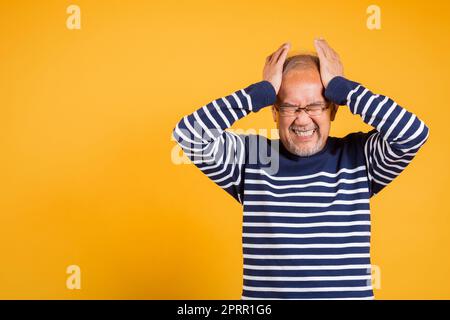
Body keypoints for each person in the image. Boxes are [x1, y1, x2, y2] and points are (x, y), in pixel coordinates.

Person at [172, 39, 429, 299]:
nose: (302, 118)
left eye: (315, 105)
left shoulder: (358, 156)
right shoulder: (254, 158)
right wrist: (259, 93)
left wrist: (345, 89)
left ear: (333, 110)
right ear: (274, 111)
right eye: (290, 107)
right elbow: (188, 134)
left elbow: (413, 134)